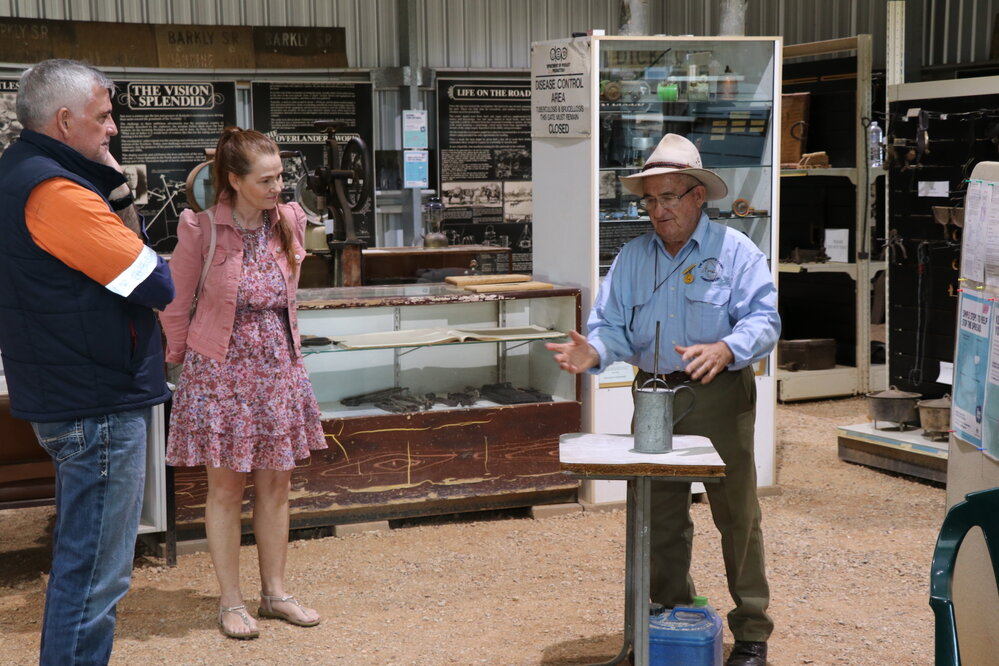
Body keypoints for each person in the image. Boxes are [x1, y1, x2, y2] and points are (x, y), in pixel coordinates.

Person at [545, 133, 780, 666]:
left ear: (699, 196)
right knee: (658, 515)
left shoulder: (736, 251)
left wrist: (726, 347)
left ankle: (751, 630)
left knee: (736, 513)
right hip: (653, 394)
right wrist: (595, 352)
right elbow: (610, 328)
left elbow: (766, 321)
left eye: (670, 197)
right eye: (650, 199)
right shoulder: (632, 257)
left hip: (719, 393)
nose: (658, 210)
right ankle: (671, 615)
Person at [0, 59, 174, 665]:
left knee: (90, 567)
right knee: (96, 574)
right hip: (95, 401)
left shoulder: (25, 174)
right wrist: (119, 195)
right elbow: (156, 282)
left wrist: (114, 188)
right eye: (103, 118)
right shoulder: (56, 193)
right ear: (65, 120)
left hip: (77, 391)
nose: (113, 130)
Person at [159, 127, 327, 640]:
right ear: (234, 180)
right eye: (267, 179)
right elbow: (173, 303)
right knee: (226, 488)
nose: (278, 187)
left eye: (281, 176)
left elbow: (290, 294)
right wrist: (176, 364)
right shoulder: (200, 228)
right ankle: (231, 601)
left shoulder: (290, 222)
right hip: (219, 372)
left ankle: (275, 593)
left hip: (278, 367)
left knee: (277, 482)